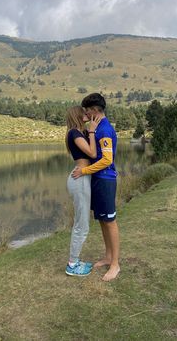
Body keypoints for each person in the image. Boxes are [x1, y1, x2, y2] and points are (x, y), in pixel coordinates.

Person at [72, 93, 120, 281]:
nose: (84, 113)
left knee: (110, 220)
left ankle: (115, 264)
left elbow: (107, 160)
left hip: (106, 180)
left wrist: (84, 172)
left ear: (94, 111)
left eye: (86, 110)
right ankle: (108, 257)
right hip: (97, 180)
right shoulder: (97, 127)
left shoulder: (105, 130)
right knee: (102, 219)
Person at [65, 105, 100, 277]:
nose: (87, 114)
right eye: (84, 112)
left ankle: (75, 261)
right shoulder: (74, 133)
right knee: (82, 225)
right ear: (77, 115)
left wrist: (91, 130)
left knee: (81, 222)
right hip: (80, 179)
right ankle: (72, 264)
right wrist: (92, 132)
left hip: (83, 178)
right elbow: (92, 153)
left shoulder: (81, 133)